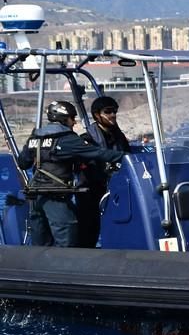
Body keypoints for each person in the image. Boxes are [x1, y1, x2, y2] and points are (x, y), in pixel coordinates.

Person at [17, 101, 125, 247]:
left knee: (41, 243)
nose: (74, 122)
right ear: (63, 118)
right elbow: (97, 153)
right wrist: (123, 157)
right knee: (68, 238)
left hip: (36, 198)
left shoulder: (35, 138)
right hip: (55, 197)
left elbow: (23, 163)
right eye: (72, 118)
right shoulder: (67, 139)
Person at [76, 96, 131, 248]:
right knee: (89, 230)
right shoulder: (86, 139)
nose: (113, 115)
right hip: (92, 190)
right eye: (108, 112)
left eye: (114, 112)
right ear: (96, 115)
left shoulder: (119, 137)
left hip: (116, 189)